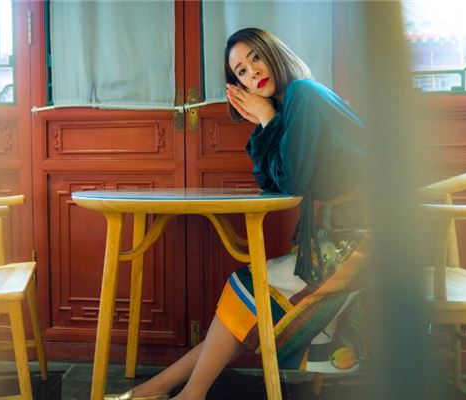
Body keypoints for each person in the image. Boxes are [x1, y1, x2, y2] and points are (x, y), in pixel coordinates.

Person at [105, 27, 369, 400]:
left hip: (366, 241)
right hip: (340, 238)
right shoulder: (289, 107)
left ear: (273, 53)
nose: (252, 72)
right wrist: (265, 121)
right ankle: (163, 389)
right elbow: (272, 183)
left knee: (249, 288)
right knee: (248, 299)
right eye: (241, 71)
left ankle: (179, 393)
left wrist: (267, 118)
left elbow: (292, 182)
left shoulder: (303, 94)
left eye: (255, 58)